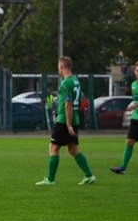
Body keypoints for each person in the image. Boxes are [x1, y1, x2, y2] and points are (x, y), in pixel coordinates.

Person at [35, 56, 97, 186]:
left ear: (61, 67)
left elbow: (68, 104)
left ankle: (50, 180)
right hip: (73, 118)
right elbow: (78, 101)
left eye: (58, 66)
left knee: (53, 148)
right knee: (73, 149)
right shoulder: (76, 81)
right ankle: (89, 176)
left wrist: (67, 124)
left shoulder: (65, 84)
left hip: (65, 120)